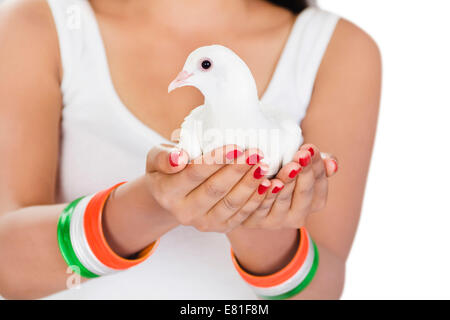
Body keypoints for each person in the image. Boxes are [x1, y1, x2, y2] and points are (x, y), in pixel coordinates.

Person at [0, 0, 381, 299]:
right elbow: (8, 267)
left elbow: (320, 293)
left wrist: (254, 219)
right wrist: (152, 203)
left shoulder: (335, 48)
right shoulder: (39, 26)